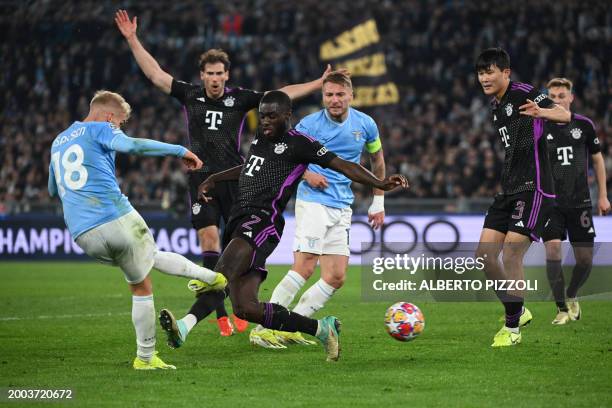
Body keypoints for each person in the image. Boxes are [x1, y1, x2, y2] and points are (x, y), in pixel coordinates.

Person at [115, 9, 336, 336]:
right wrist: (133, 38)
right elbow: (156, 76)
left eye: (220, 73)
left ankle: (238, 305)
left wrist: (318, 83)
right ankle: (218, 317)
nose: (215, 78)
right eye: (209, 73)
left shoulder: (240, 99)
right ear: (202, 75)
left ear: (226, 75)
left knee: (237, 252)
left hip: (238, 182)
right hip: (201, 180)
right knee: (209, 238)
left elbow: (282, 95)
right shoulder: (190, 95)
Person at [158, 91, 408, 361]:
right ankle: (321, 329)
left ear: (287, 116)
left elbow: (343, 165)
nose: (265, 121)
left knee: (223, 272)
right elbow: (249, 168)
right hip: (239, 218)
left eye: (271, 116)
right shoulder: (263, 137)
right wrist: (214, 179)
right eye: (262, 115)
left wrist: (379, 184)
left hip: (263, 220)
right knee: (246, 308)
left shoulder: (301, 144)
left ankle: (184, 325)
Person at [48, 90, 227, 370]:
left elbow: (51, 188)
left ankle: (211, 278)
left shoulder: (58, 141)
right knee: (147, 268)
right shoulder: (101, 128)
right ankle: (147, 355)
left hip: (82, 234)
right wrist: (179, 150)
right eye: (119, 123)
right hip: (113, 216)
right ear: (109, 116)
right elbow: (133, 146)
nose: (118, 128)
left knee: (142, 269)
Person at [249, 71, 386, 348]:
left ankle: (289, 325)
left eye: (339, 94)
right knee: (305, 265)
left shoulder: (366, 124)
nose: (334, 100)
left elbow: (377, 160)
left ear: (351, 95)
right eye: (328, 95)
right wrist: (306, 174)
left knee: (336, 276)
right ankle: (263, 327)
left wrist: (378, 200)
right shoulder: (310, 125)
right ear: (323, 97)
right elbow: (281, 155)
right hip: (312, 201)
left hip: (342, 204)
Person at [473, 48, 571, 347]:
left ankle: (512, 329)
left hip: (535, 186)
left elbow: (564, 114)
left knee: (512, 252)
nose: (485, 78)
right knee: (484, 257)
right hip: (508, 187)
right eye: (480, 73)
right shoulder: (495, 106)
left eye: (490, 71)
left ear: (506, 72)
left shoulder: (524, 93)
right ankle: (518, 309)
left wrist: (543, 112)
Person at [541, 77, 611, 325]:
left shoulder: (584, 125)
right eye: (552, 96)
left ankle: (571, 293)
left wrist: (602, 195)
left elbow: (597, 159)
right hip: (551, 203)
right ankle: (561, 308)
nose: (557, 100)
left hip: (580, 202)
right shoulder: (539, 126)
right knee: (552, 249)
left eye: (561, 96)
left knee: (584, 260)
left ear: (571, 98)